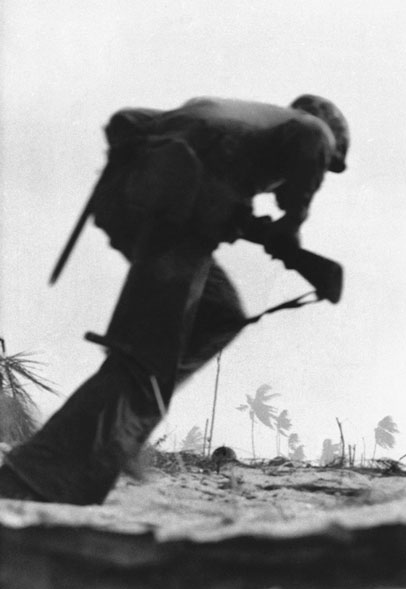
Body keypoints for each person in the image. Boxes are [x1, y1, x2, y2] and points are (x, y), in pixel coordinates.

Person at [0, 95, 349, 504]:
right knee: (147, 356)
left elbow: (212, 199)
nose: (319, 169)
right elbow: (310, 141)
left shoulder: (233, 129)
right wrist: (292, 226)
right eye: (326, 165)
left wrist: (286, 249)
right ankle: (36, 477)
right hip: (169, 215)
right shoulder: (308, 127)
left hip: (141, 204)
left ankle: (123, 431)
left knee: (218, 313)